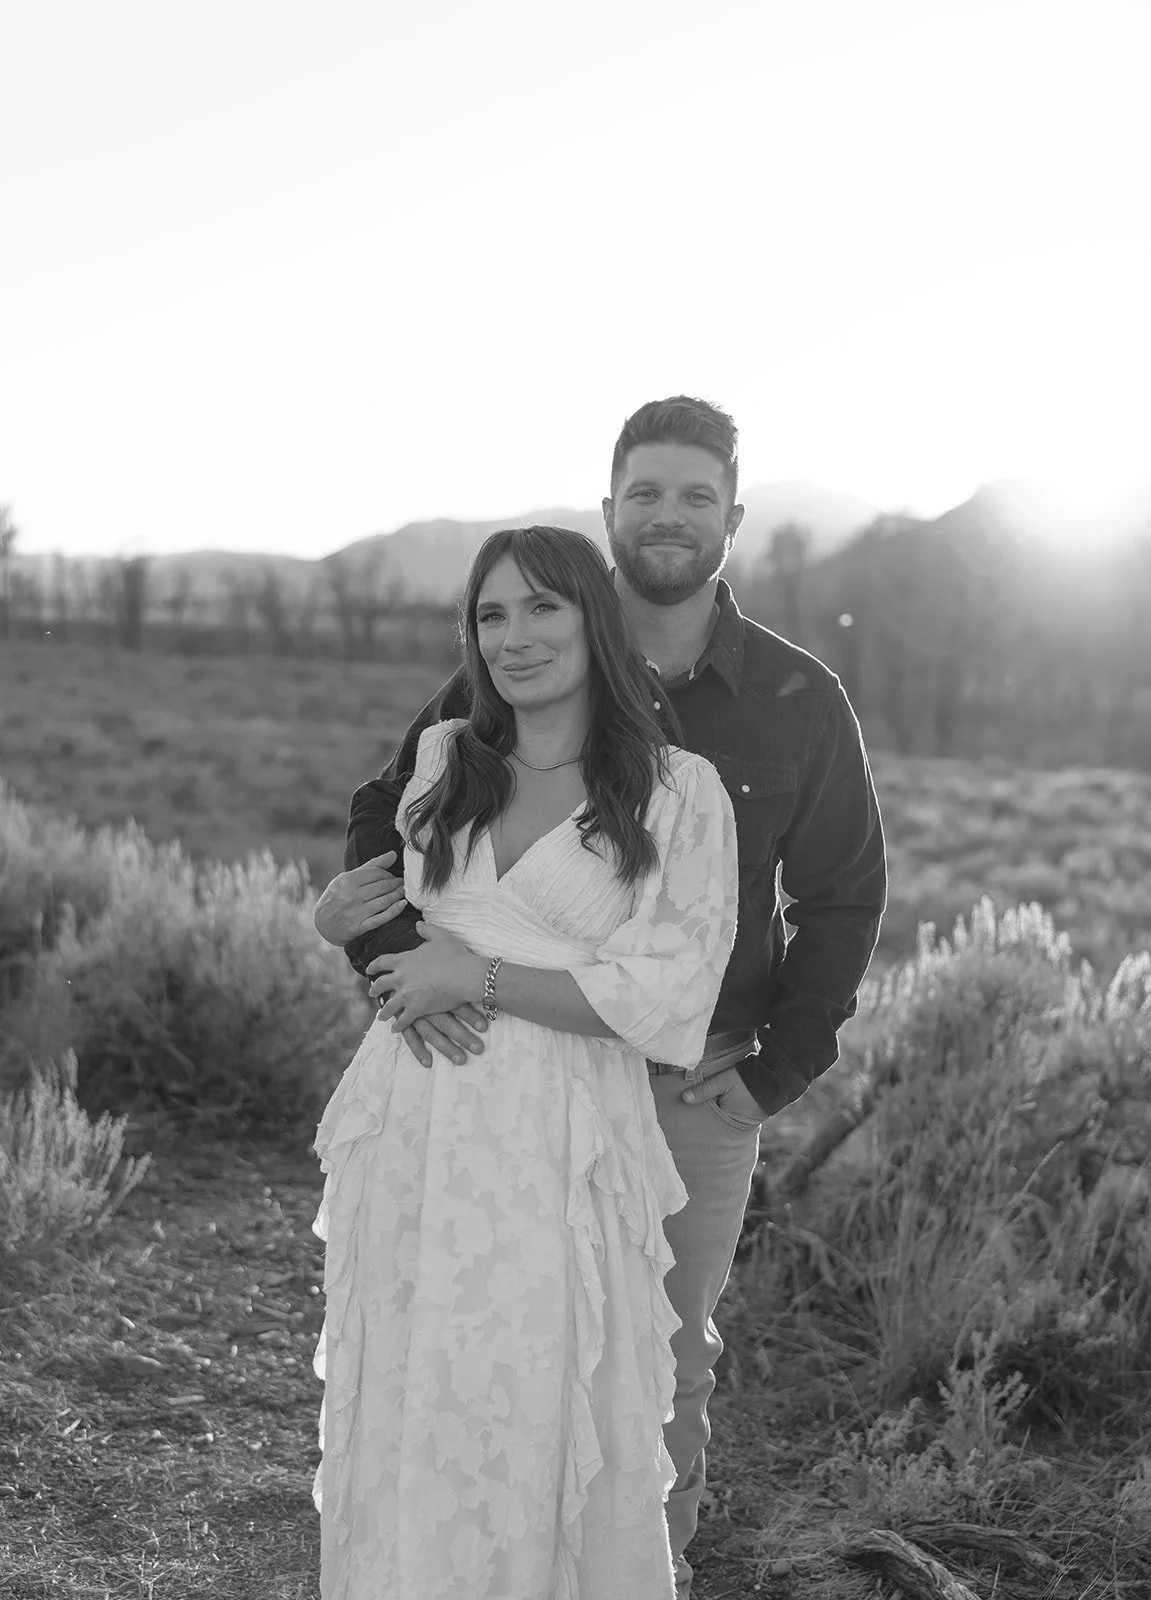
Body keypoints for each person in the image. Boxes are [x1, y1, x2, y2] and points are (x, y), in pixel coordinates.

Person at [315, 396, 888, 1599]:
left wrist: (777, 1067)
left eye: (694, 495)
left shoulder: (795, 698)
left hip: (684, 1077)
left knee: (651, 1363)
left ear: (732, 517)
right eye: (645, 492)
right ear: (608, 509)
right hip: (470, 1078)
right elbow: (388, 811)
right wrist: (398, 960)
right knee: (466, 1347)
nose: (667, 515)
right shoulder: (532, 647)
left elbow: (842, 897)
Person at [311, 524, 739, 1600]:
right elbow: (392, 918)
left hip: (558, 1138)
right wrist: (340, 921)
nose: (514, 636)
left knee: (535, 1394)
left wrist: (482, 977)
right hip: (413, 1122)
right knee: (413, 1385)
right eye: (491, 614)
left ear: (596, 620)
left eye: (543, 607)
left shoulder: (677, 791)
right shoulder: (443, 760)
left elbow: (666, 996)